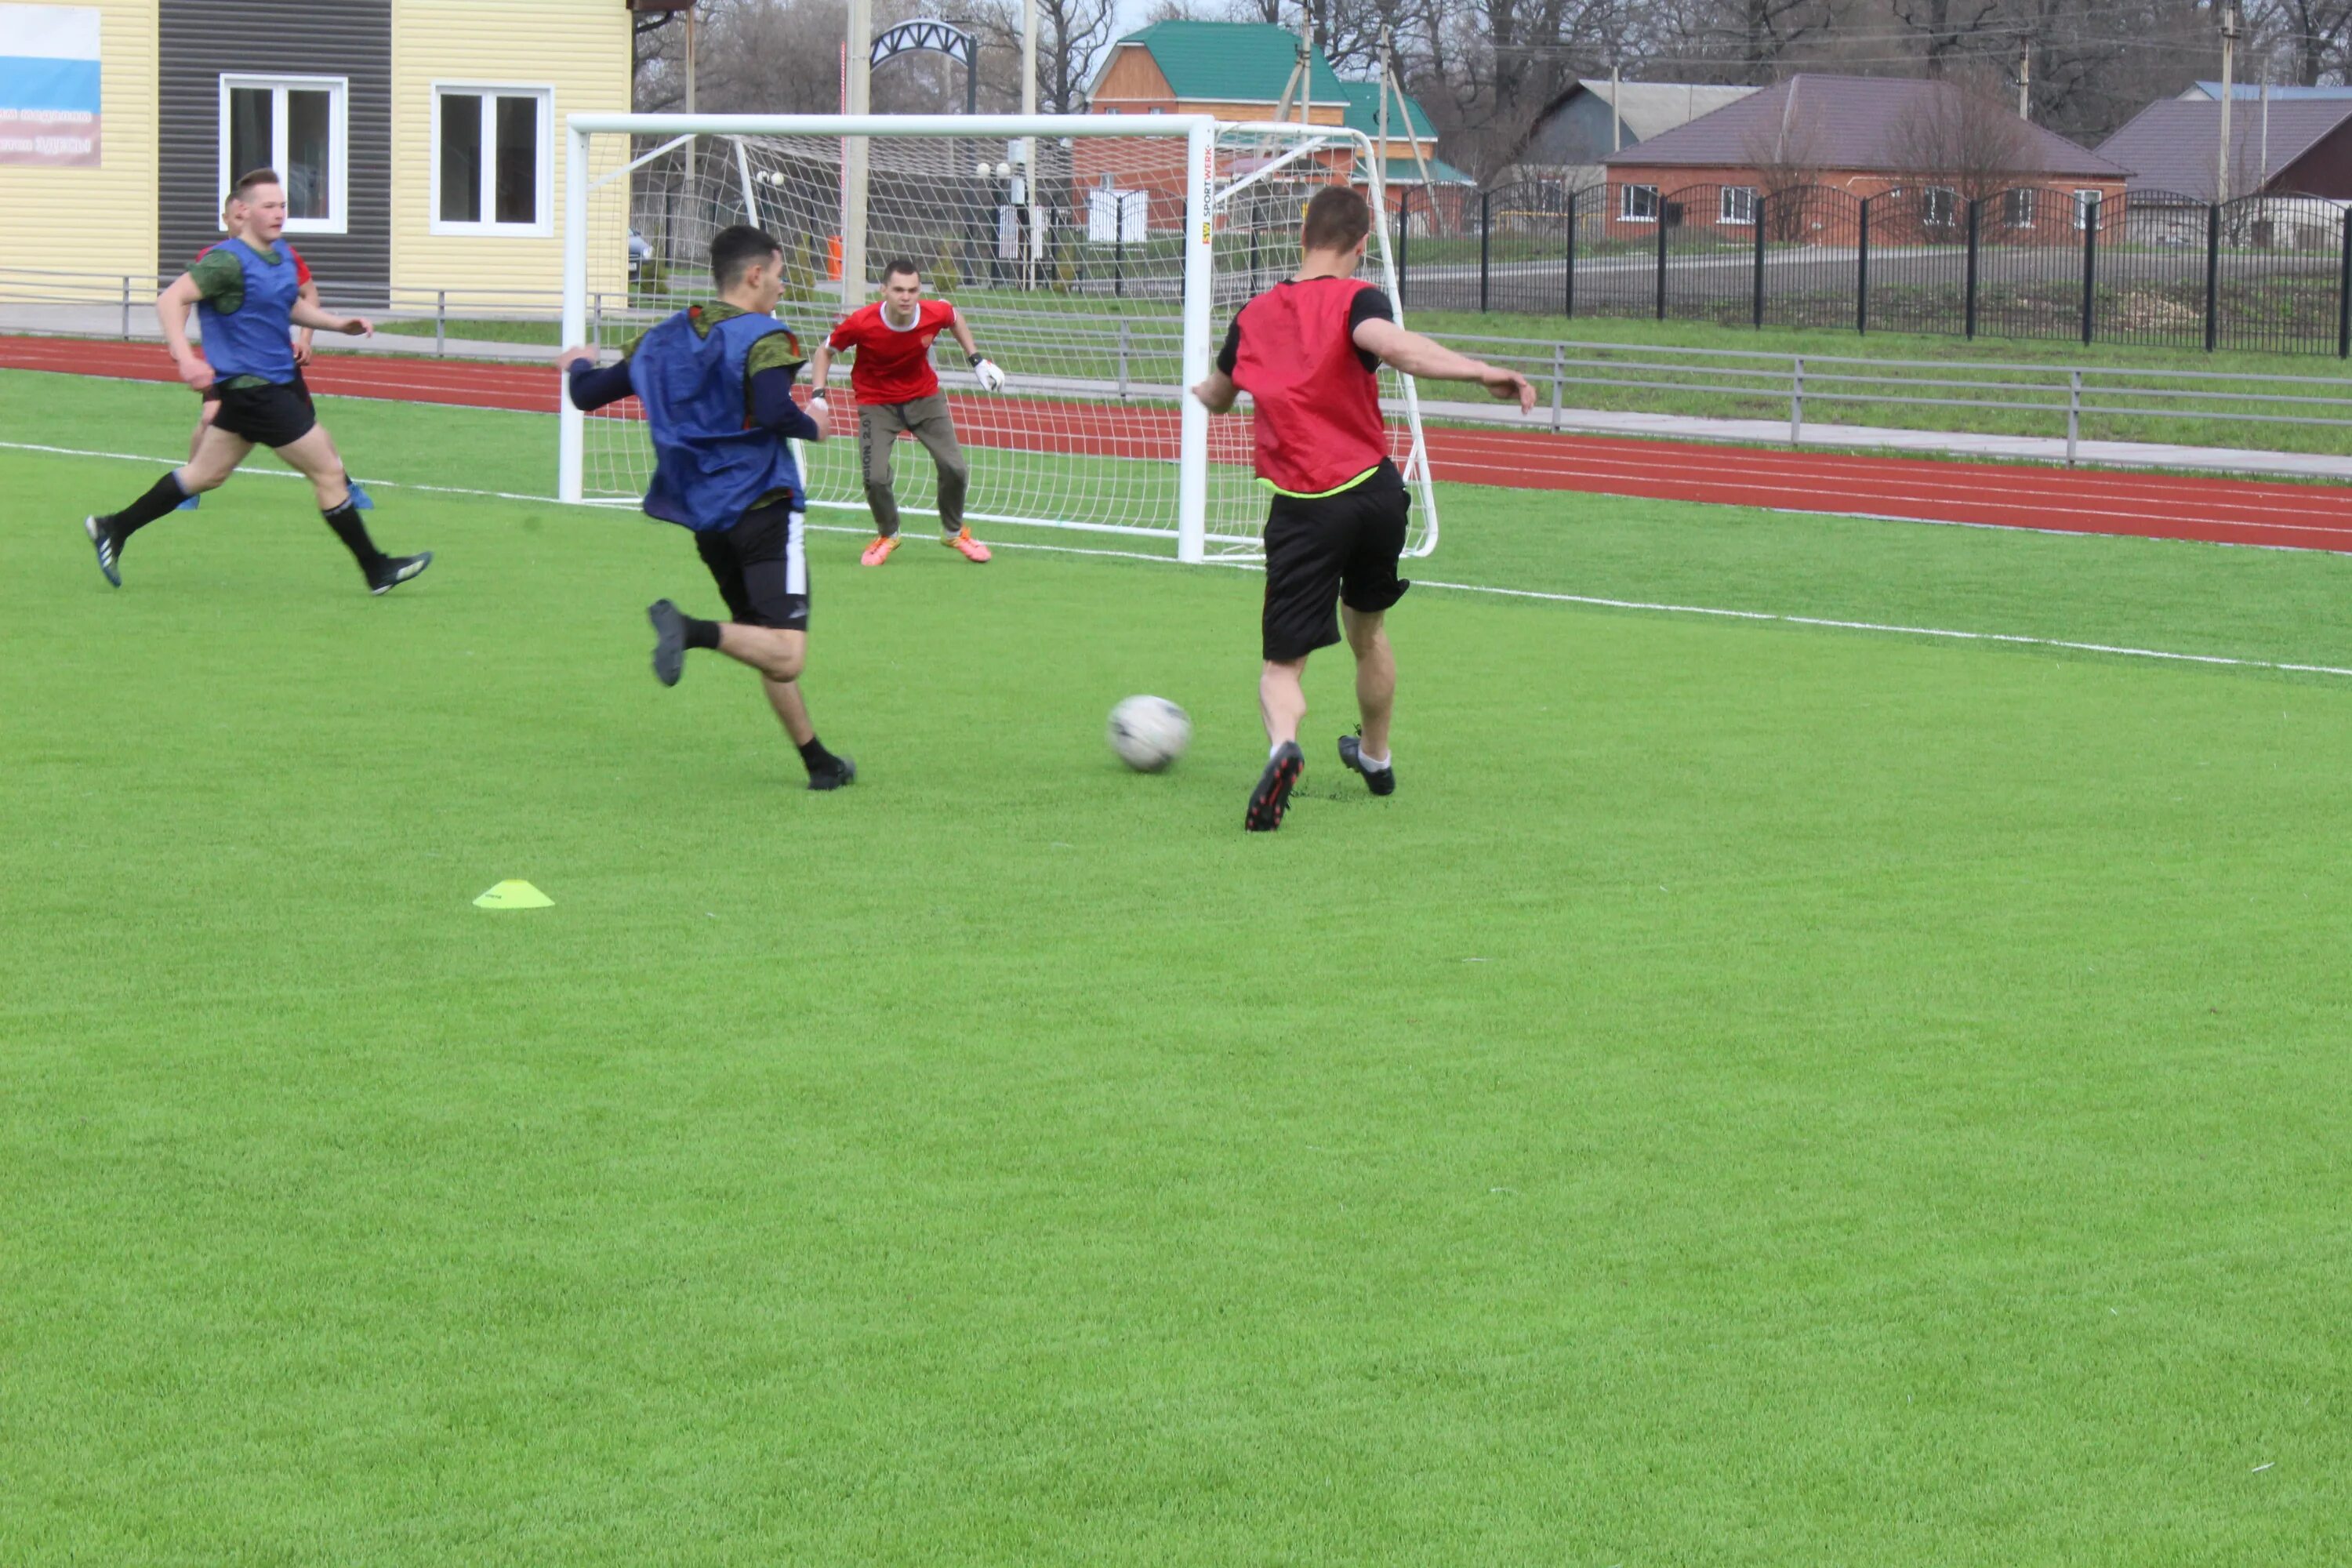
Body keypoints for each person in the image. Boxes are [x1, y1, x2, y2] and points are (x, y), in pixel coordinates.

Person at [1190, 184, 1535, 832]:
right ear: (1361, 244)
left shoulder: (1256, 315)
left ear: (1302, 238)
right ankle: (1375, 758)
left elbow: (1218, 392)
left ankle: (1283, 748)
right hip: (1376, 496)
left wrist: (1207, 393)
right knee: (1368, 632)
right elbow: (1397, 347)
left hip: (1305, 508)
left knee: (1282, 666)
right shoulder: (1358, 301)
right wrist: (1481, 370)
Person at [557, 224, 855, 791]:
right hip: (765, 506)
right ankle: (689, 631)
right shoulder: (766, 336)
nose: (783, 288)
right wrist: (812, 426)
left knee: (763, 640)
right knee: (787, 654)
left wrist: (576, 362)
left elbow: (587, 394)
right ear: (755, 275)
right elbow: (772, 411)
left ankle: (819, 762)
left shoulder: (665, 336)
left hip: (706, 519)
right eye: (781, 275)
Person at [81, 168, 428, 593]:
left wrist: (338, 324)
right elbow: (170, 299)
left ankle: (112, 527)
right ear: (243, 211)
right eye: (270, 206)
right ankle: (377, 569)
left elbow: (288, 307)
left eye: (283, 205)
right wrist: (185, 359)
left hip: (268, 388)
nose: (280, 213)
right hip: (255, 390)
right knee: (330, 471)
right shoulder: (226, 261)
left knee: (203, 476)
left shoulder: (281, 256)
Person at [807, 259, 1005, 566]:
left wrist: (977, 360)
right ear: (884, 290)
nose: (906, 297)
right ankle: (888, 534)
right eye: (898, 289)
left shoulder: (932, 313)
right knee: (875, 478)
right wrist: (818, 396)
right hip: (877, 404)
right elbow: (825, 351)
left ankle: (954, 531)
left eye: (913, 290)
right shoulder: (862, 322)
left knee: (956, 468)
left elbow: (954, 316)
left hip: (925, 399)